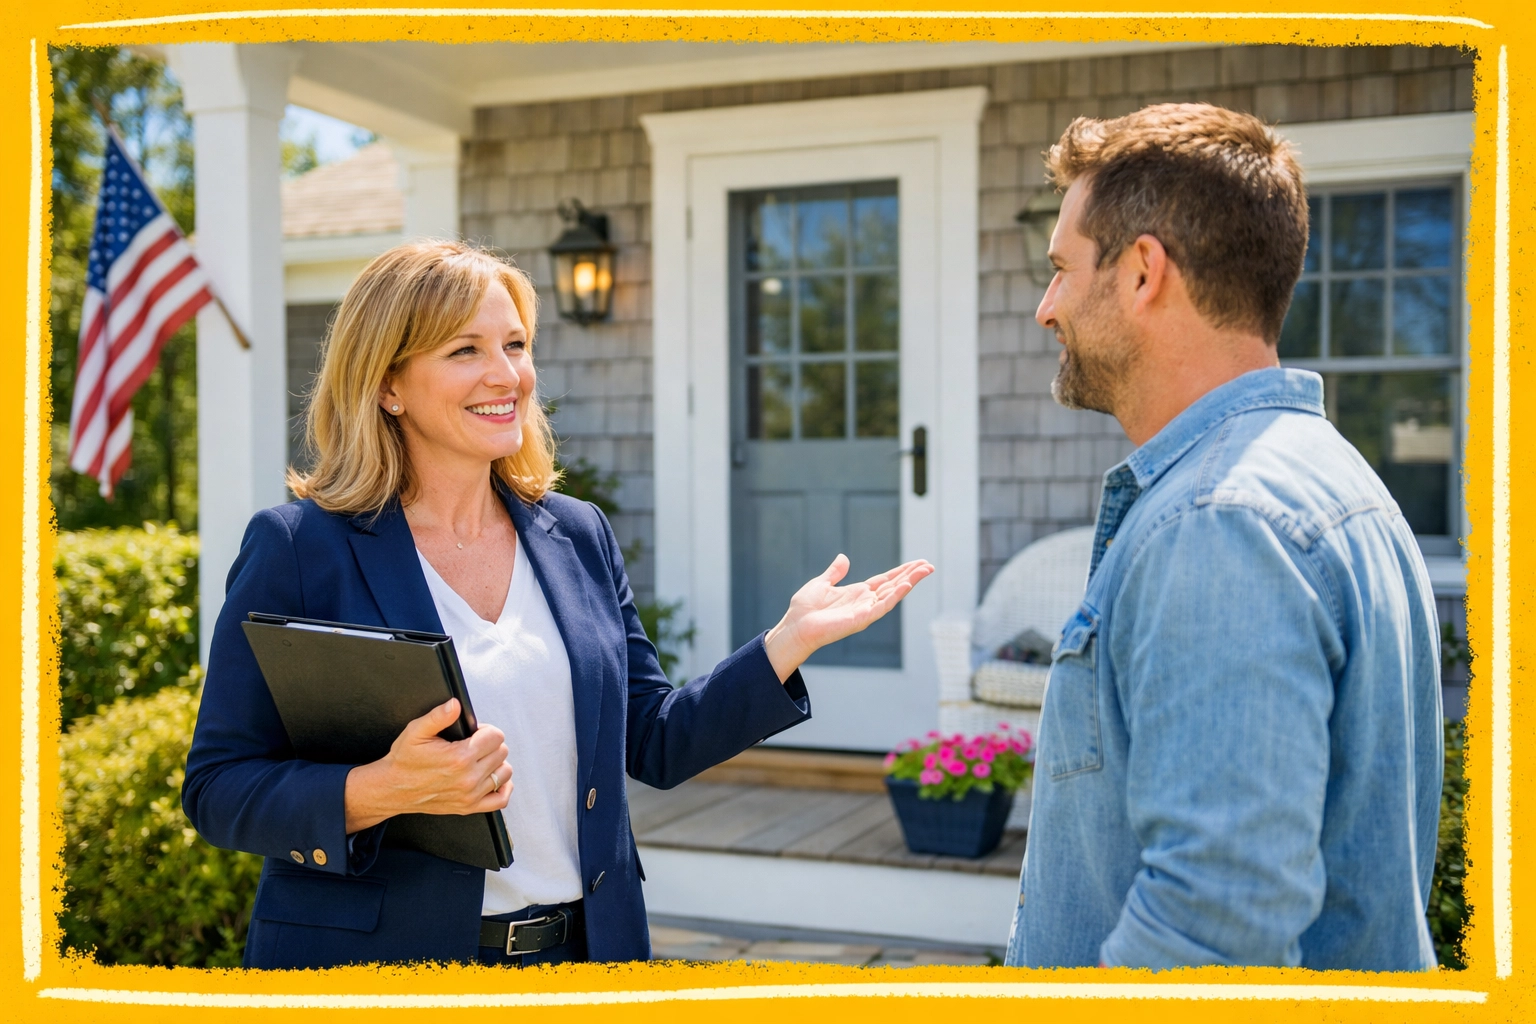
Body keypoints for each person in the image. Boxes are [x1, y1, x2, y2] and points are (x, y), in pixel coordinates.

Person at [182, 240, 932, 969]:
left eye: (515, 344)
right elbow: (219, 787)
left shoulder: (576, 533)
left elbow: (656, 740)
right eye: (464, 351)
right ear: (388, 385)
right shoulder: (301, 548)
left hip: (581, 957)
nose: (505, 373)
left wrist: (786, 643)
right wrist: (378, 790)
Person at [1005, 104, 1442, 970]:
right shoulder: (1329, 481)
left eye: (1060, 269)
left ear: (1141, 273)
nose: (1046, 309)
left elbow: (1211, 929)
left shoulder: (1220, 524)